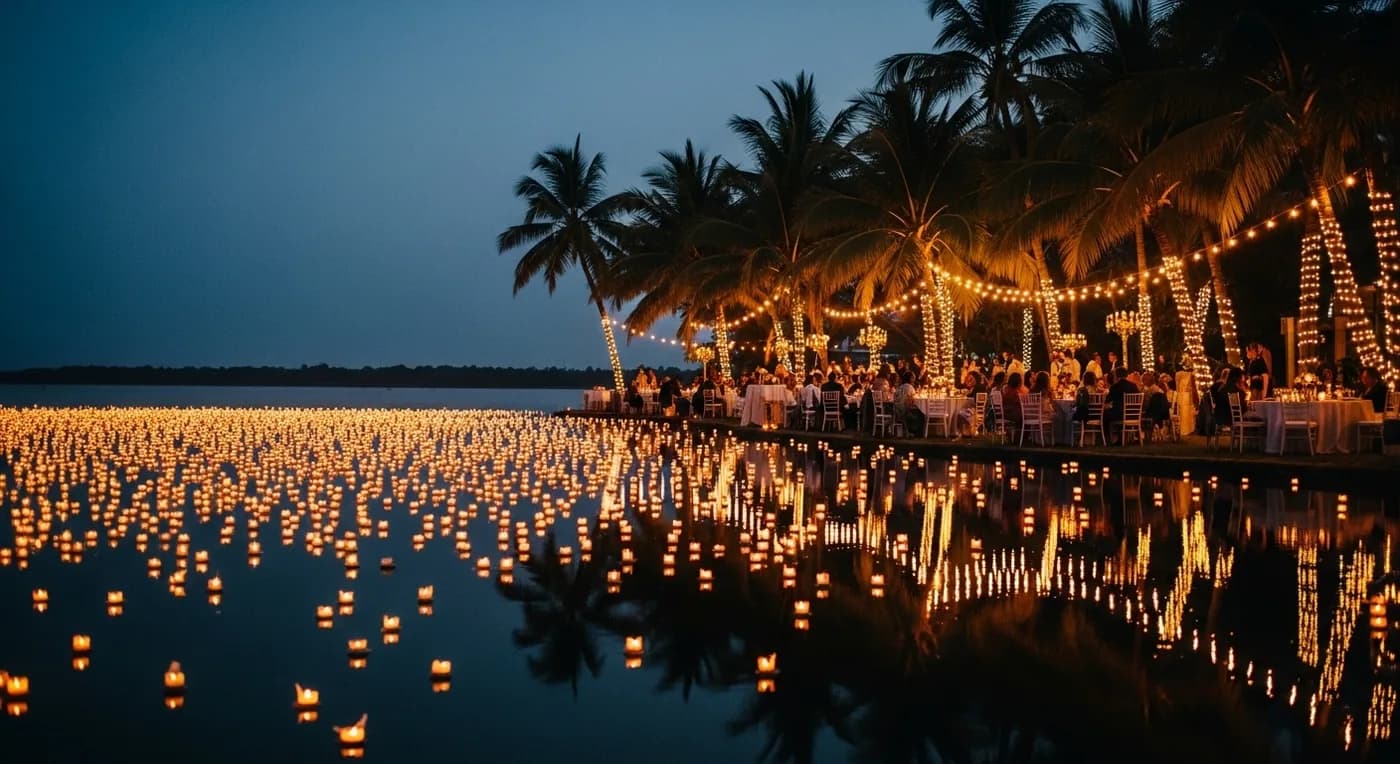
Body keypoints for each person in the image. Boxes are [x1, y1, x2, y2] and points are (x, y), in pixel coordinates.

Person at [1103, 367, 1139, 442]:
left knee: (1104, 415)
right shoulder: (1133, 386)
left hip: (1119, 415)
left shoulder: (1115, 387)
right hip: (1133, 414)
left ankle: (1107, 439)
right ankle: (1121, 437)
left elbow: (1107, 401)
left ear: (1116, 375)